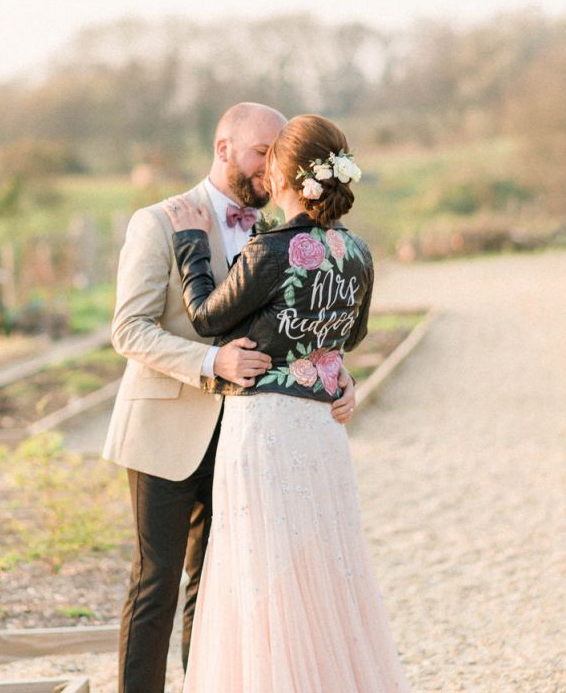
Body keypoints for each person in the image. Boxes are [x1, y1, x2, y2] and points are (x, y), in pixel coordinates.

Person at [104, 103, 359, 693]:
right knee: (156, 583)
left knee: (220, 585)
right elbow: (129, 329)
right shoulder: (159, 222)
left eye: (278, 155)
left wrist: (340, 374)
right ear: (223, 149)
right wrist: (208, 361)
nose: (271, 167)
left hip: (249, 436)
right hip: (166, 428)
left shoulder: (281, 234)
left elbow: (304, 326)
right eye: (260, 152)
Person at [163, 114, 411, 692]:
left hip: (265, 430)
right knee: (325, 566)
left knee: (262, 572)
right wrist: (329, 368)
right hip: (322, 433)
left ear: (285, 173)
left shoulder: (271, 251)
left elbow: (205, 316)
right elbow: (348, 339)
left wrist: (191, 242)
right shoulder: (357, 253)